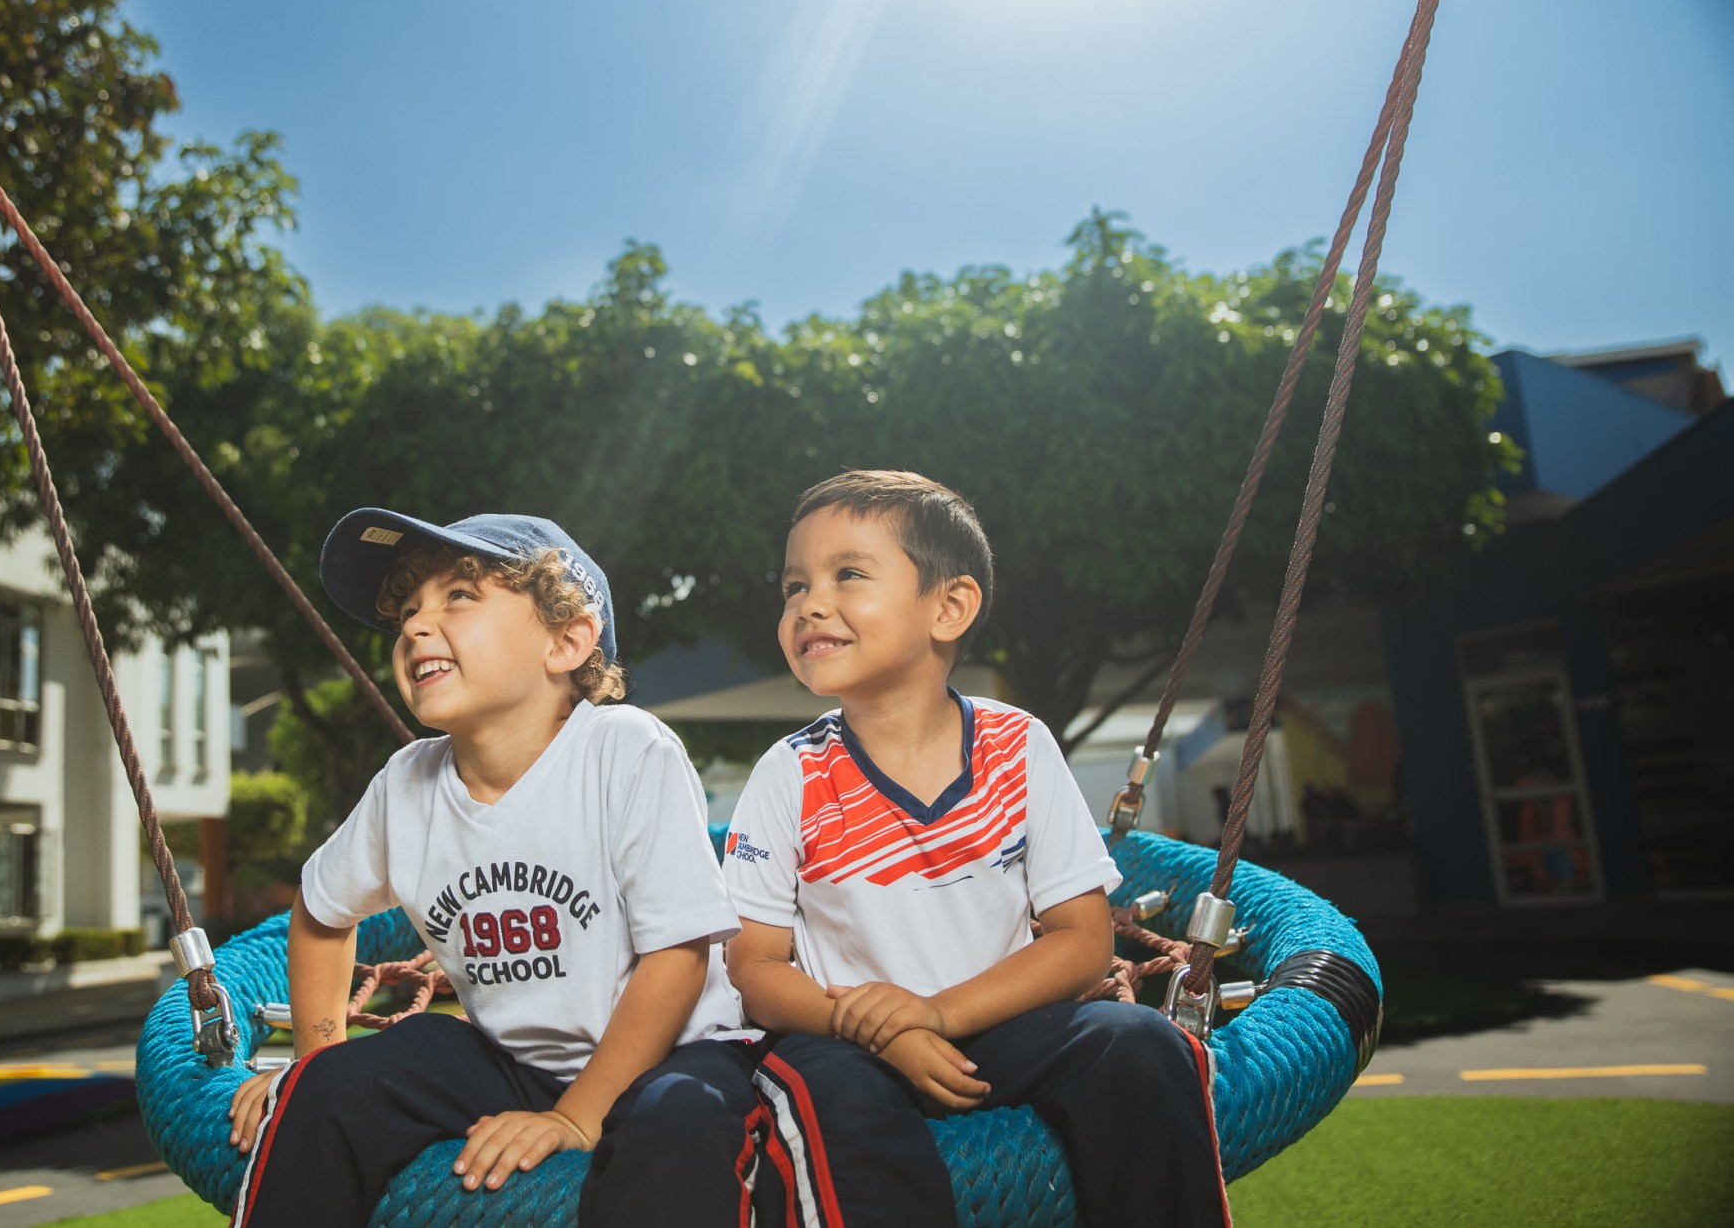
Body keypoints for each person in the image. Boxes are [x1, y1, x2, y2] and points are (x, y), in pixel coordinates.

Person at [723, 470, 1232, 1228]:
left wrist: (932, 1013)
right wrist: (880, 1026)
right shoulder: (789, 772)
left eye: (847, 575)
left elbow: (1082, 940)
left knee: (1136, 1042)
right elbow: (755, 969)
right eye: (794, 586)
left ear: (950, 606)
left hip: (996, 1025)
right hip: (851, 1041)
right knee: (817, 1088)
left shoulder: (1017, 744)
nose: (810, 604)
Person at [227, 510, 758, 1228]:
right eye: (409, 610)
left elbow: (679, 954)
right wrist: (317, 1059)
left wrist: (577, 1117)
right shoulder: (406, 782)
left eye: (459, 597)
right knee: (336, 1091)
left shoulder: (626, 750)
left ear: (567, 640)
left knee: (679, 1124)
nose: (416, 626)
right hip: (512, 1062)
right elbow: (322, 913)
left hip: (677, 1053)